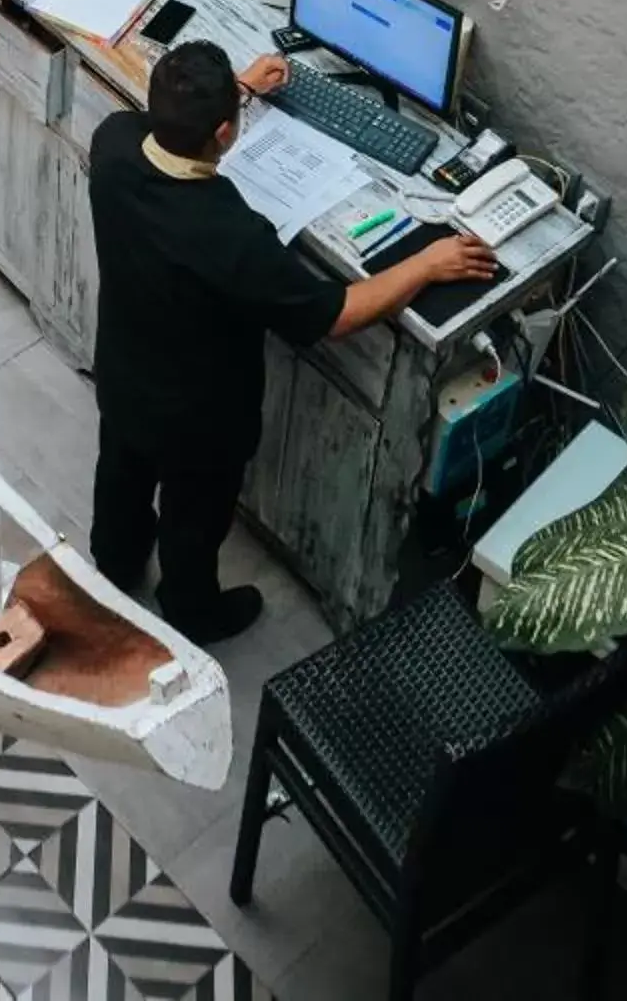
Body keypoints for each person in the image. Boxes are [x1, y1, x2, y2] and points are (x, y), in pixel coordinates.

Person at [89, 38, 497, 645]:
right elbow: (336, 313)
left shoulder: (114, 142)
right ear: (225, 134)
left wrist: (241, 91)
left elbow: (158, 124)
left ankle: (115, 561)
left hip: (124, 371)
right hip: (198, 422)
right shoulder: (231, 237)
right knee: (193, 517)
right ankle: (190, 609)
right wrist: (426, 264)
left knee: (121, 470)